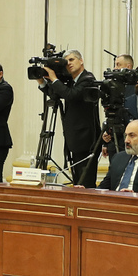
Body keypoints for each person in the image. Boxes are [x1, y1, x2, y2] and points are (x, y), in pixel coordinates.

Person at [42, 50, 100, 188]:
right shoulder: (72, 81)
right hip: (76, 138)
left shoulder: (87, 79)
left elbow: (71, 95)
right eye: (66, 61)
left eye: (72, 60)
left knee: (85, 183)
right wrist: (43, 82)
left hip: (87, 140)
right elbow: (56, 94)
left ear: (81, 60)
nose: (68, 63)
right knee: (77, 182)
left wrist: (54, 79)